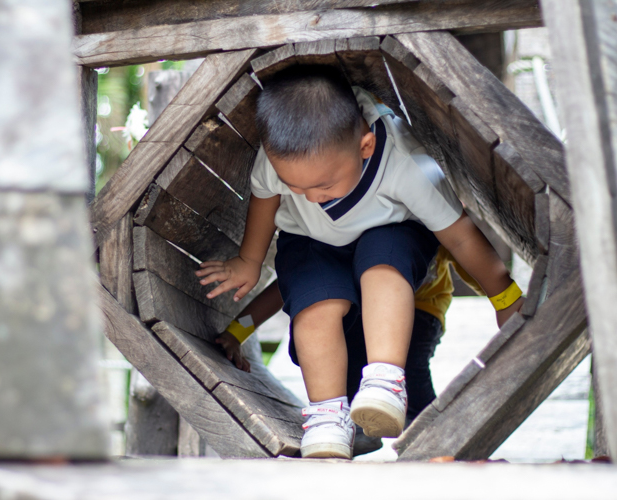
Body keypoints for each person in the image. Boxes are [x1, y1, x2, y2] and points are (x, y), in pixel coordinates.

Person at [196, 65, 523, 459]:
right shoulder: (278, 164)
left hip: (396, 247)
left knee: (380, 263)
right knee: (314, 303)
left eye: (323, 185)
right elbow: (278, 255)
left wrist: (504, 298)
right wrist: (248, 263)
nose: (311, 196)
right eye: (294, 186)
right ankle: (329, 417)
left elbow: (459, 235)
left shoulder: (403, 163)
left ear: (365, 147)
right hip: (311, 242)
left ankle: (387, 382)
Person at [216, 246, 484, 456]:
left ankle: (434, 430)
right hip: (365, 312)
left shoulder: (432, 218)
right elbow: (283, 290)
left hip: (421, 310)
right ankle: (356, 428)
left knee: (409, 370)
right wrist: (238, 332)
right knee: (341, 359)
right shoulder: (343, 240)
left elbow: (473, 259)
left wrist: (503, 296)